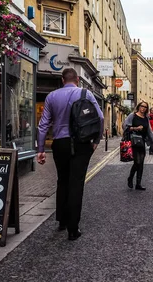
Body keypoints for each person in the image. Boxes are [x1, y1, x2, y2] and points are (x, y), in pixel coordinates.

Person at [37, 68, 103, 241]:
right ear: (78, 79)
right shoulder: (85, 93)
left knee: (62, 180)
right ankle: (73, 229)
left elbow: (43, 124)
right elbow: (100, 118)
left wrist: (41, 150)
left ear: (62, 79)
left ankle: (62, 220)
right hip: (81, 143)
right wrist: (96, 140)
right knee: (76, 183)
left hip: (60, 143)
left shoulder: (51, 96)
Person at [124, 100, 153, 190]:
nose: (143, 108)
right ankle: (130, 178)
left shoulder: (146, 118)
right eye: (142, 106)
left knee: (141, 163)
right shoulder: (132, 116)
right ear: (139, 106)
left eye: (145, 107)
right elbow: (125, 126)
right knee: (137, 162)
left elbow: (149, 131)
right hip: (133, 141)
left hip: (142, 142)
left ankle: (138, 184)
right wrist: (136, 128)